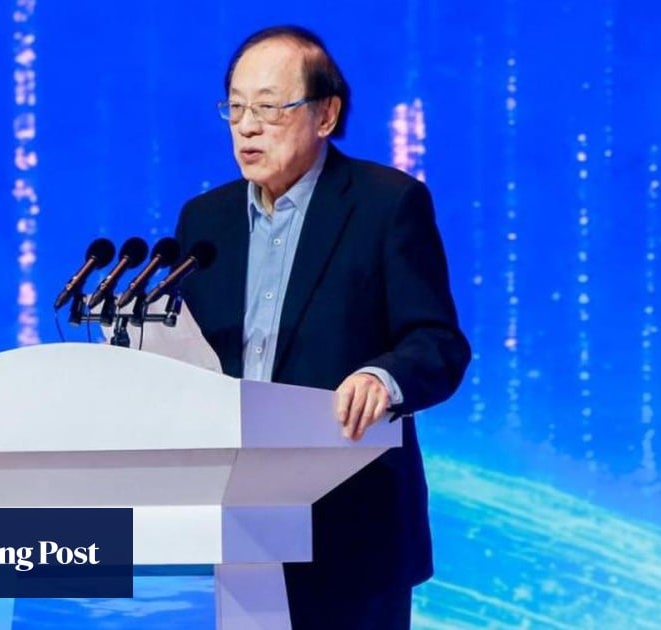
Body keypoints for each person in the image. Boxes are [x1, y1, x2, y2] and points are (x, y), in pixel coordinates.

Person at [173, 25, 471, 629]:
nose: (247, 127)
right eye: (235, 108)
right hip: (229, 526)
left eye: (267, 108)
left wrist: (382, 379)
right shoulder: (204, 221)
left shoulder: (387, 204)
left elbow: (439, 344)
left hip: (351, 527)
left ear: (326, 114)